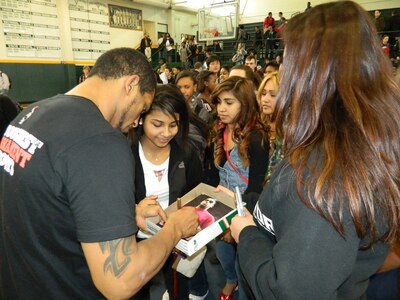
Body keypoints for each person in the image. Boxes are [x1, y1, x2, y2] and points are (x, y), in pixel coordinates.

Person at [230, 2, 400, 299]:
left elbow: (288, 289)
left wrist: (247, 235)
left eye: (289, 60)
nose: (285, 69)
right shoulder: (349, 143)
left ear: (311, 71)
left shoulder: (326, 172)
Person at [0, 48, 199, 299]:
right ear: (131, 84)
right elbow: (121, 280)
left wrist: (124, 215)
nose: (136, 121)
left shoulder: (32, 115)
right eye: (143, 108)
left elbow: (49, 205)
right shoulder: (101, 142)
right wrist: (175, 228)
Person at [130, 84, 209, 300]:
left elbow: (197, 195)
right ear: (141, 119)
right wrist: (134, 210)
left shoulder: (186, 153)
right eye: (157, 124)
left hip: (175, 241)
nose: (166, 133)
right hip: (133, 241)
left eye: (173, 125)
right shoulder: (125, 152)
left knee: (177, 290)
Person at [206, 76, 269, 300]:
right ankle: (230, 281)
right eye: (219, 102)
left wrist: (237, 208)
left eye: (229, 102)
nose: (221, 108)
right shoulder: (218, 131)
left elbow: (255, 188)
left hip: (245, 211)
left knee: (244, 264)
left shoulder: (256, 137)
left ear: (244, 103)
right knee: (223, 255)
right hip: (221, 208)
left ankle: (240, 287)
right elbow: (213, 175)